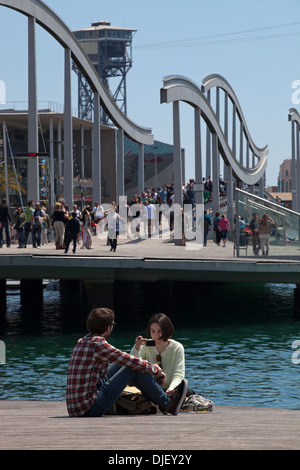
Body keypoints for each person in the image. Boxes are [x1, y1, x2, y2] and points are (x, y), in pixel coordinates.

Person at [66, 307, 186, 417]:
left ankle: (161, 399)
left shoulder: (82, 341)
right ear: (108, 327)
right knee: (132, 367)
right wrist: (154, 369)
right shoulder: (98, 344)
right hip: (91, 407)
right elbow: (129, 361)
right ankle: (166, 403)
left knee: (123, 364)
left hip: (75, 407)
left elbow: (124, 359)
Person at [131, 313, 187, 401]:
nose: (156, 336)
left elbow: (178, 374)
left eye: (160, 331)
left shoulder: (177, 347)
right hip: (150, 388)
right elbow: (132, 366)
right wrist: (136, 348)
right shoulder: (145, 346)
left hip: (170, 389)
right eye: (153, 331)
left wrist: (171, 389)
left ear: (167, 331)